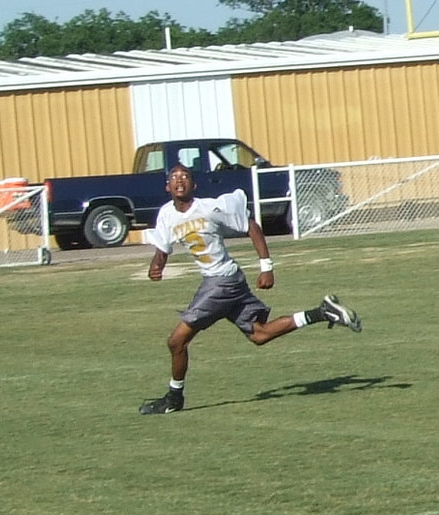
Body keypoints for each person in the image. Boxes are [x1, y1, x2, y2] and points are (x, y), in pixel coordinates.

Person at [138, 163, 361, 415]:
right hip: (229, 281)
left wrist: (266, 266)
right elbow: (162, 251)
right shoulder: (167, 214)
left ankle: (174, 398)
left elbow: (251, 226)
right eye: (174, 177)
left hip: (220, 283)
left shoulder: (210, 208)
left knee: (176, 341)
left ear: (194, 185)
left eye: (185, 176)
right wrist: (155, 267)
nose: (180, 181)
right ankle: (323, 312)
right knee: (260, 335)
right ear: (167, 186)